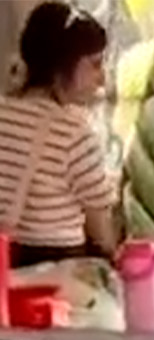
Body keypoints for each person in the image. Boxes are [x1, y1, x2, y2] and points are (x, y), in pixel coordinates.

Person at [0, 3, 116, 268]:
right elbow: (100, 227)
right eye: (95, 64)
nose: (101, 78)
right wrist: (114, 254)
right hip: (58, 268)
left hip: (6, 263)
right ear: (62, 66)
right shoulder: (74, 133)